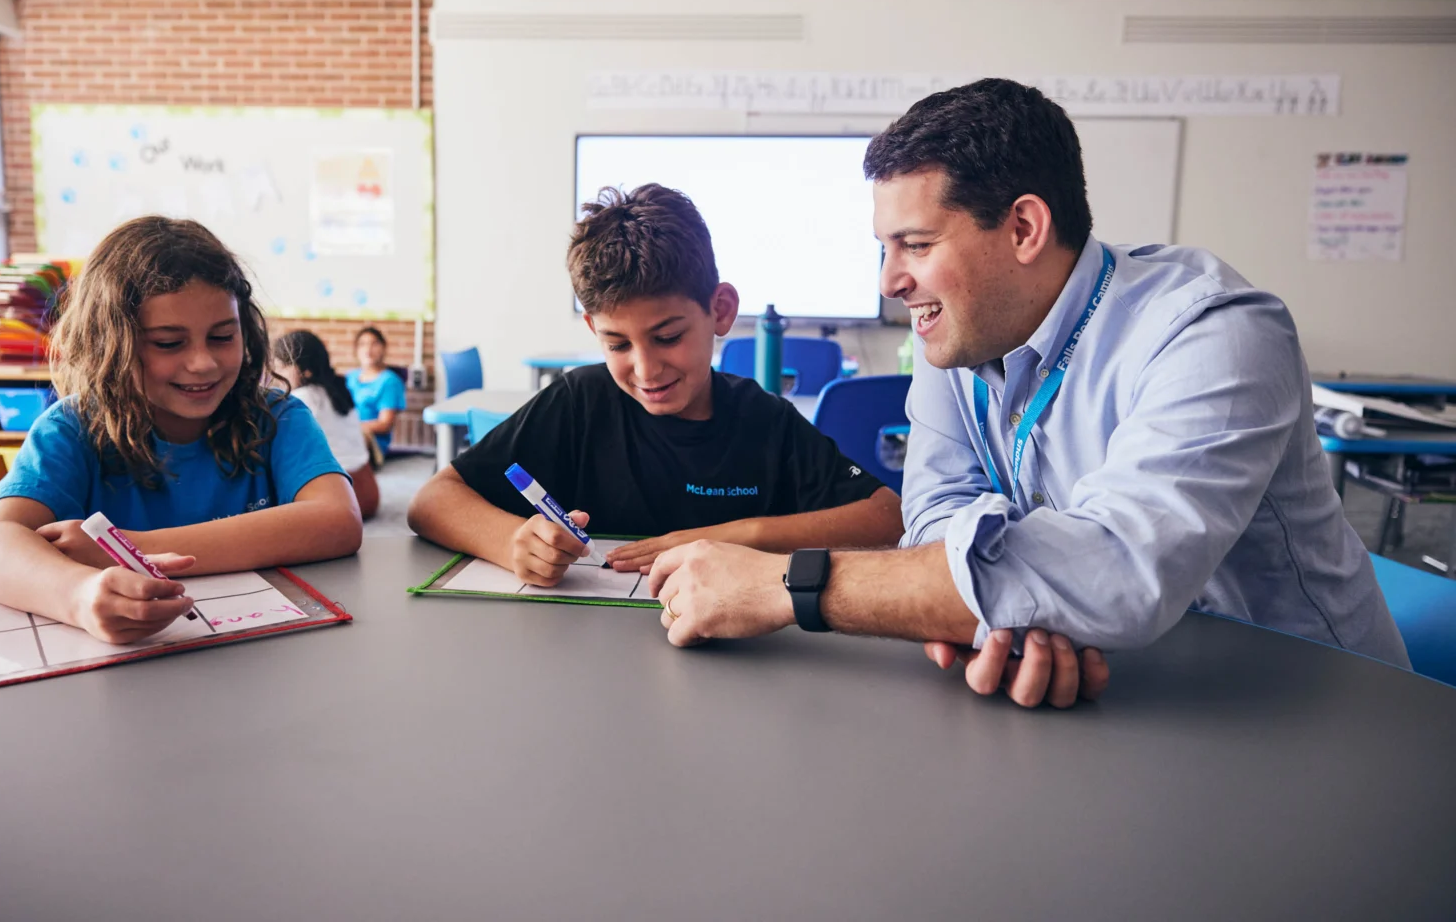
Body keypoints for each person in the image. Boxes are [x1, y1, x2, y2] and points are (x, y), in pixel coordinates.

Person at [645, 78, 1410, 707]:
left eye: (914, 244)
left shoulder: (1214, 333)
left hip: (1310, 705)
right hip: (1123, 691)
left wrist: (790, 585)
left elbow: (1116, 570)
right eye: (884, 248)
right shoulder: (956, 342)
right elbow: (933, 518)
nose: (888, 281)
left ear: (1022, 229)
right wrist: (1021, 609)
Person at [408, 183, 904, 583]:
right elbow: (432, 502)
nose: (645, 370)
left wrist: (736, 535)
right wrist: (511, 540)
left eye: (667, 337)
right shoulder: (579, 402)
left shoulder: (761, 419)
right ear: (593, 331)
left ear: (720, 311)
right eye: (618, 345)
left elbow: (887, 517)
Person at [0, 216, 363, 645]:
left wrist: (131, 548)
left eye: (222, 336)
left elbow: (338, 520)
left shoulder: (277, 417)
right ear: (110, 342)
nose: (203, 363)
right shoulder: (72, 429)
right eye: (168, 343)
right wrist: (79, 596)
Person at [273, 329, 380, 520]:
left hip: (342, 499)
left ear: (304, 369)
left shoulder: (302, 398)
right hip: (369, 492)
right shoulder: (339, 390)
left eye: (281, 367)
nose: (277, 374)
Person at [346, 325, 406, 460]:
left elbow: (385, 424)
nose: (368, 349)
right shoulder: (350, 377)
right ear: (356, 350)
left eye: (374, 344)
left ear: (383, 348)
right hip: (347, 434)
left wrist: (350, 428)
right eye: (363, 344)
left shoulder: (390, 381)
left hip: (371, 442)